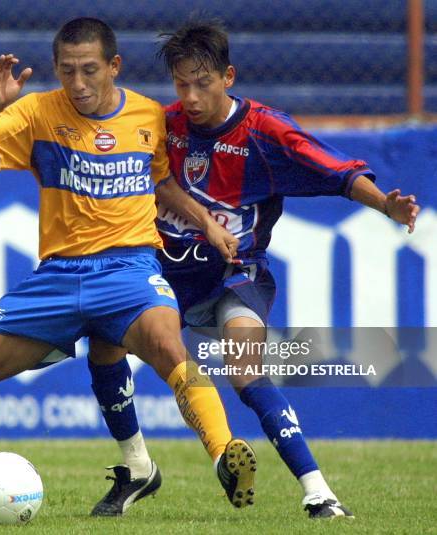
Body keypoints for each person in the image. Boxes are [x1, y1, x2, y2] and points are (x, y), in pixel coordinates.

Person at [0, 17, 256, 516]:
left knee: (170, 347)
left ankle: (224, 454)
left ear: (114, 66)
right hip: (58, 279)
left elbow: (162, 181)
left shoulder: (149, 117)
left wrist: (206, 223)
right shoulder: (38, 112)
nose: (79, 84)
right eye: (67, 71)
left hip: (129, 272)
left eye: (90, 70)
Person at [87, 20, 420, 519]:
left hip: (234, 274)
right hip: (167, 272)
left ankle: (318, 493)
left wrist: (384, 206)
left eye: (203, 83)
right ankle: (137, 467)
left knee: (245, 369)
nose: (192, 97)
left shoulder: (267, 131)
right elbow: (144, 174)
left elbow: (337, 171)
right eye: (182, 84)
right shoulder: (164, 125)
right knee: (104, 342)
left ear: (229, 76)